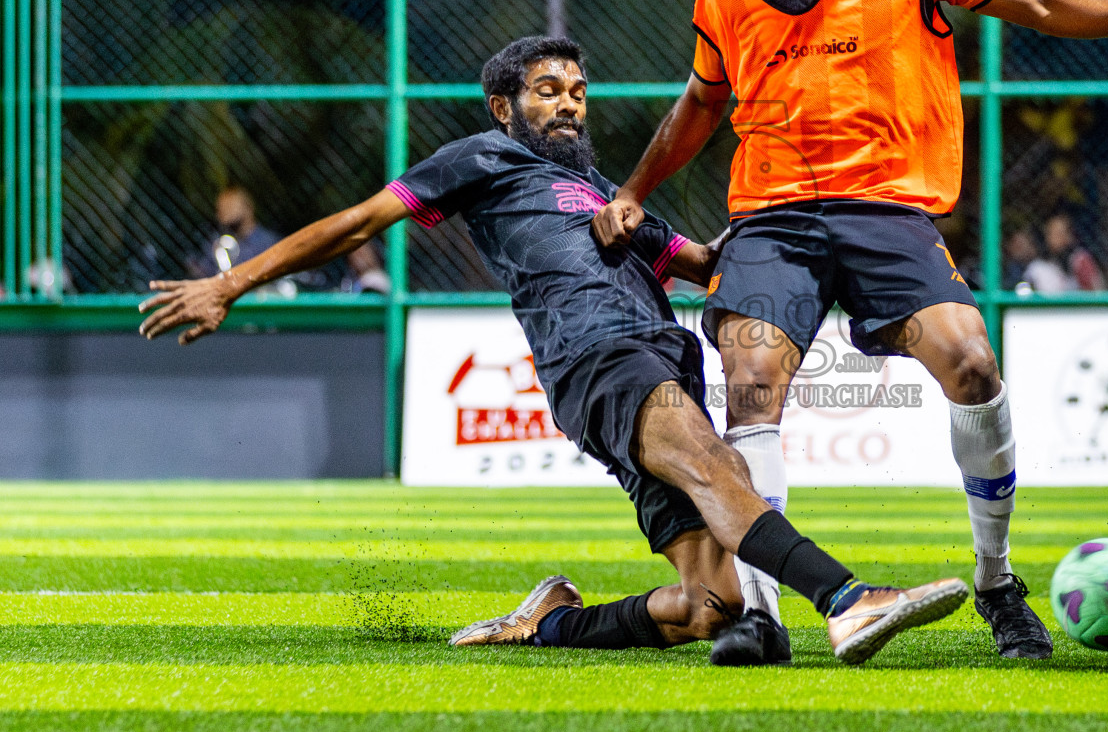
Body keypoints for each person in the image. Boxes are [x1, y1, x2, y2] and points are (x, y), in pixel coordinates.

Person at [593, 0, 1108, 663]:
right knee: (750, 377)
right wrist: (633, 188)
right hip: (772, 218)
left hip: (889, 211)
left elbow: (1039, 4)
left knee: (971, 361)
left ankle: (997, 583)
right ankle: (765, 616)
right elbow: (703, 104)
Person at [137, 35, 967, 666]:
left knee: (707, 605)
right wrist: (230, 283)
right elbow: (357, 224)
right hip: (593, 354)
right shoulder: (483, 157)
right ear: (505, 107)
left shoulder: (609, 193)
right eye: (547, 92)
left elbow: (702, 263)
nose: (569, 105)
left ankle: (546, 624)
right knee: (718, 464)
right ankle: (847, 597)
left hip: (661, 351)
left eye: (576, 92)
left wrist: (815, 224)